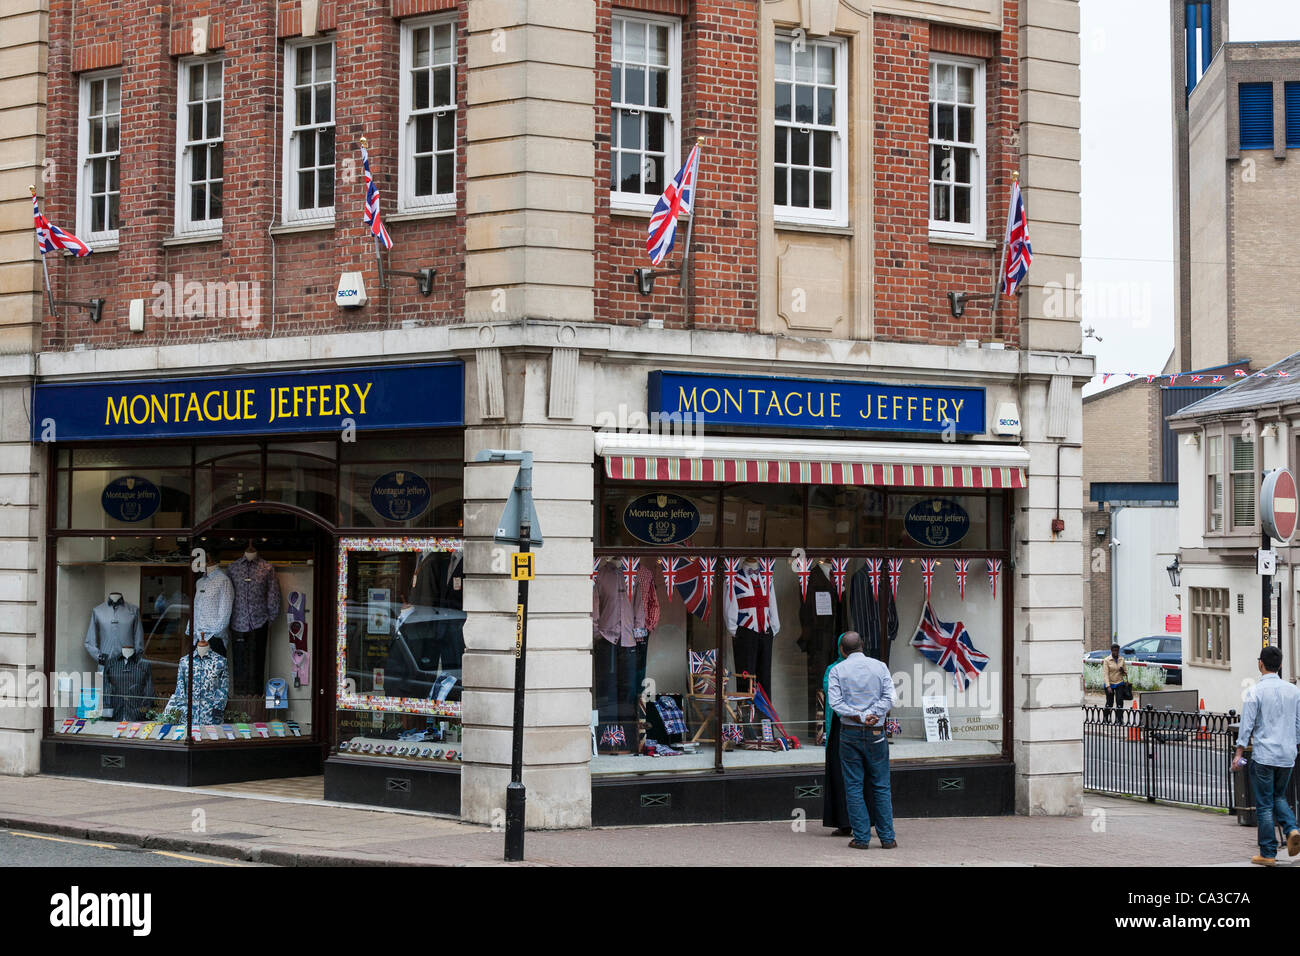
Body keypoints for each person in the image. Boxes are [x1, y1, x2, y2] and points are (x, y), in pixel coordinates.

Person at [827, 631, 897, 849]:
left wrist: (859, 715)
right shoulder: (880, 666)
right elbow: (890, 697)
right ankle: (887, 838)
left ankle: (861, 838)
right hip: (876, 732)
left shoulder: (837, 670)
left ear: (842, 650)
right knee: (881, 785)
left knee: (854, 786)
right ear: (863, 646)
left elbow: (835, 703)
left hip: (850, 732)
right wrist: (873, 714)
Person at [1232, 645, 1300, 866]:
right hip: (1287, 754)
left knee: (1264, 805)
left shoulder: (1254, 691)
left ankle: (1268, 853)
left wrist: (1239, 751)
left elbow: (1247, 724)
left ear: (1260, 664)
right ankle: (1291, 829)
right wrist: (1294, 745)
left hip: (1264, 755)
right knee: (1279, 797)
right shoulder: (1294, 691)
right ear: (1280, 665)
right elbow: (1298, 724)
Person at [820, 634, 852, 835]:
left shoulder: (833, 670)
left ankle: (844, 821)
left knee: (841, 776)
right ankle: (868, 819)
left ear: (840, 648)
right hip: (866, 725)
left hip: (841, 726)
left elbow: (832, 696)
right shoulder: (875, 666)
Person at [1101, 644, 1127, 723]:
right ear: (1111, 650)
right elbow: (1105, 674)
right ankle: (1105, 718)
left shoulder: (1121, 659)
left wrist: (1123, 671)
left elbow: (1125, 673)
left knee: (1119, 701)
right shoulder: (1107, 660)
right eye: (1114, 650)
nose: (1116, 652)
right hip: (1110, 683)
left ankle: (1119, 719)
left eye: (1117, 650)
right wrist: (1108, 686)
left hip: (1119, 682)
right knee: (1109, 702)